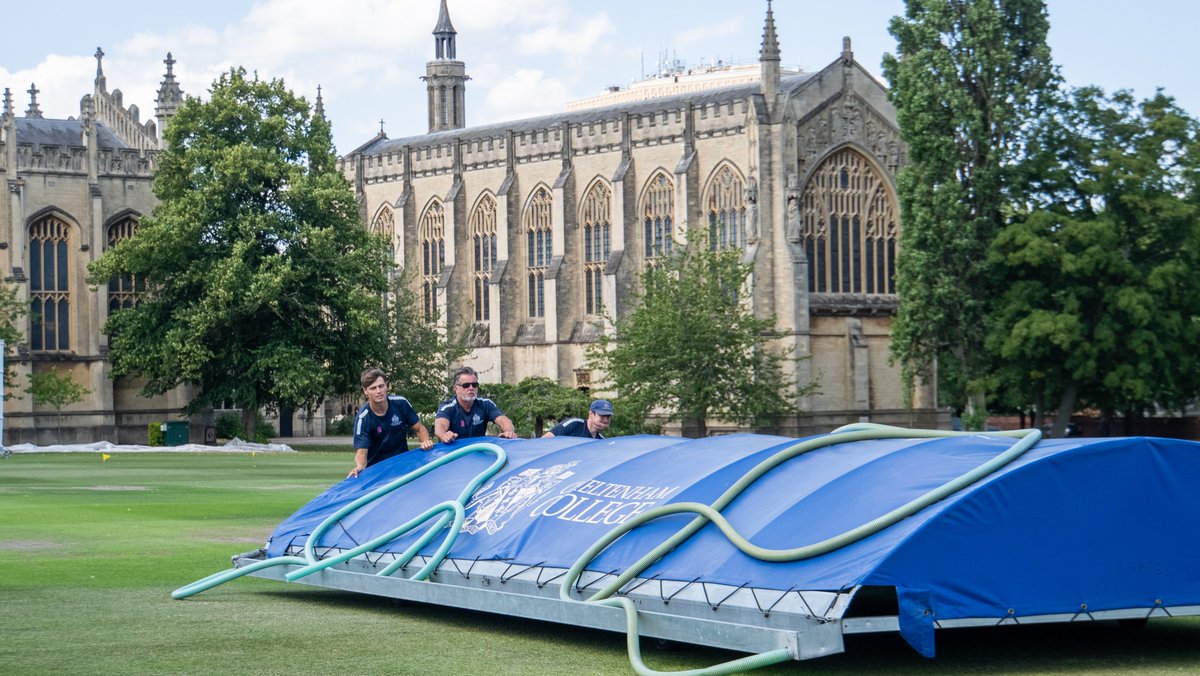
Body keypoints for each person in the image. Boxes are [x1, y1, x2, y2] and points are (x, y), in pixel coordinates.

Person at [349, 367, 433, 478]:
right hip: (377, 474)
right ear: (365, 391)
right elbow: (361, 453)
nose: (378, 391)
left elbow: (419, 429)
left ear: (386, 386)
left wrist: (426, 441)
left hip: (403, 468)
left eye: (381, 386)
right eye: (373, 388)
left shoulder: (401, 403)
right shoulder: (363, 418)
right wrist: (359, 467)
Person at [434, 366, 517, 443]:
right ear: (456, 388)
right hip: (454, 454)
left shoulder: (485, 404)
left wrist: (508, 431)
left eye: (474, 385)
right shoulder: (448, 407)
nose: (471, 388)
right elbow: (440, 426)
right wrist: (444, 435)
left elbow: (503, 420)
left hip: (478, 453)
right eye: (466, 385)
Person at [542, 399, 613, 439]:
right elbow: (544, 441)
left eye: (608, 416)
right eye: (602, 415)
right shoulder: (574, 424)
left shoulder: (601, 440)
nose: (606, 420)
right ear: (591, 414)